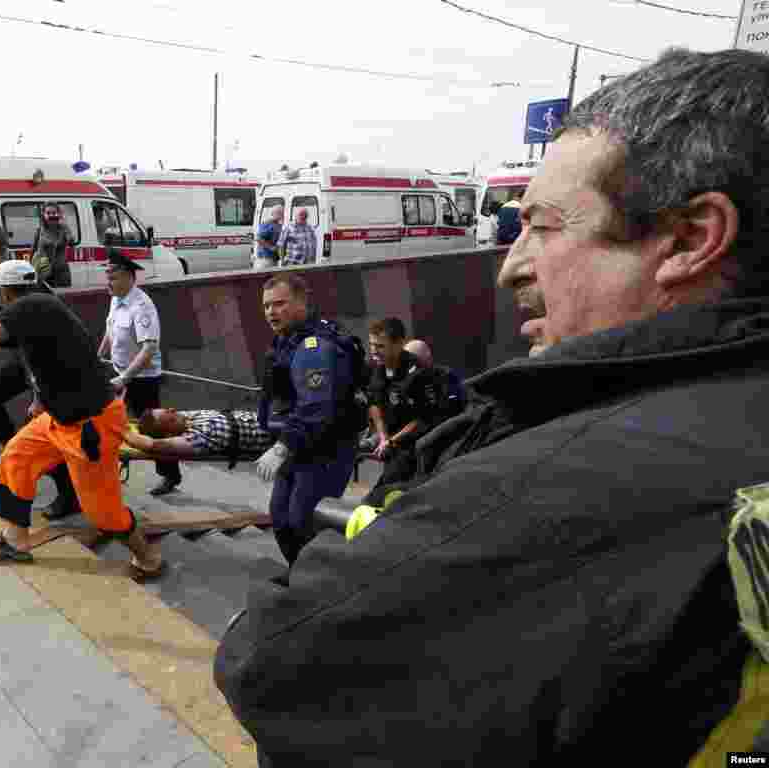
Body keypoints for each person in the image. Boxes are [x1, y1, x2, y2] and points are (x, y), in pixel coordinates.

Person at [216, 48, 769, 766]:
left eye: (542, 225)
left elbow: (271, 661)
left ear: (690, 239)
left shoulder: (561, 481)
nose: (510, 263)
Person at [0, 259, 163, 575]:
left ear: (5, 293)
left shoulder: (34, 304)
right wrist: (41, 399)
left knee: (104, 514)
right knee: (16, 457)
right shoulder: (39, 311)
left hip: (90, 426)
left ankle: (149, 560)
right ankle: (16, 540)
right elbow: (32, 357)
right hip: (58, 419)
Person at [0, 220, 79, 521]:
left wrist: (38, 395)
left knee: (46, 428)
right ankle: (16, 458)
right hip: (25, 359)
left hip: (46, 363)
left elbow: (33, 340)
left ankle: (68, 493)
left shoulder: (19, 277)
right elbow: (1, 325)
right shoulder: (2, 277)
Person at [255, 274, 363, 566]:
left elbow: (315, 409)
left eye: (279, 304)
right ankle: (300, 576)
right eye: (266, 306)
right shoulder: (286, 340)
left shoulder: (314, 347)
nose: (270, 312)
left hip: (326, 448)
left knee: (304, 522)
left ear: (302, 302)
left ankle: (323, 583)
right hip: (297, 444)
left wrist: (281, 448)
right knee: (281, 519)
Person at [98, 249, 181, 496]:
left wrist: (125, 379)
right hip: (118, 374)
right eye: (107, 277)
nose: (108, 283)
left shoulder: (142, 306)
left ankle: (170, 475)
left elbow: (149, 350)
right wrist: (99, 355)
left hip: (142, 380)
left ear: (127, 277)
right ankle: (111, 468)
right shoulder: (116, 298)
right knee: (111, 422)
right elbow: (110, 330)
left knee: (150, 428)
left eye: (112, 277)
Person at [365, 319, 463, 490]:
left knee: (383, 494)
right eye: (372, 345)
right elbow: (374, 403)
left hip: (419, 445)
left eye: (380, 346)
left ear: (398, 344)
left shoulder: (418, 374)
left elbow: (425, 418)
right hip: (391, 443)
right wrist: (382, 437)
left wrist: (392, 441)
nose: (374, 352)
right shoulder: (376, 367)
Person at [126, 407, 274, 459]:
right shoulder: (195, 438)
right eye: (169, 415)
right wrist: (122, 431)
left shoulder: (186, 417)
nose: (173, 410)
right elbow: (152, 444)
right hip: (277, 437)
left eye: (168, 409)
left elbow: (150, 426)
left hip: (275, 416)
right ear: (169, 435)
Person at [31, 201, 73, 287]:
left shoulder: (63, 229)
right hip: (43, 272)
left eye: (54, 213)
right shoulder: (39, 231)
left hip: (61, 273)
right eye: (48, 213)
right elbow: (33, 250)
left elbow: (71, 241)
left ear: (58, 214)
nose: (51, 215)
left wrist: (64, 226)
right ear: (44, 215)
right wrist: (31, 267)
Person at [254, 205, 284, 269]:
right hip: (265, 259)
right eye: (279, 213)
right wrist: (270, 247)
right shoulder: (267, 223)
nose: (282, 215)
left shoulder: (278, 225)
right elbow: (258, 238)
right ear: (273, 213)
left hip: (274, 258)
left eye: (282, 213)